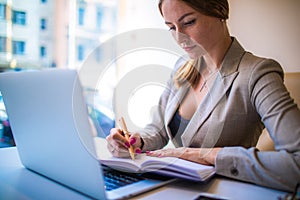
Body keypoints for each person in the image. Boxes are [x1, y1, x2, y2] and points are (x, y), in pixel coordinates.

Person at [106, 0, 300, 192]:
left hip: (224, 192)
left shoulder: (257, 73)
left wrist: (206, 156)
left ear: (220, 12)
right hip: (173, 188)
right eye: (171, 27)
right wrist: (134, 142)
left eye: (189, 22)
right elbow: (158, 131)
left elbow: (297, 161)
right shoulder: (182, 67)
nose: (179, 38)